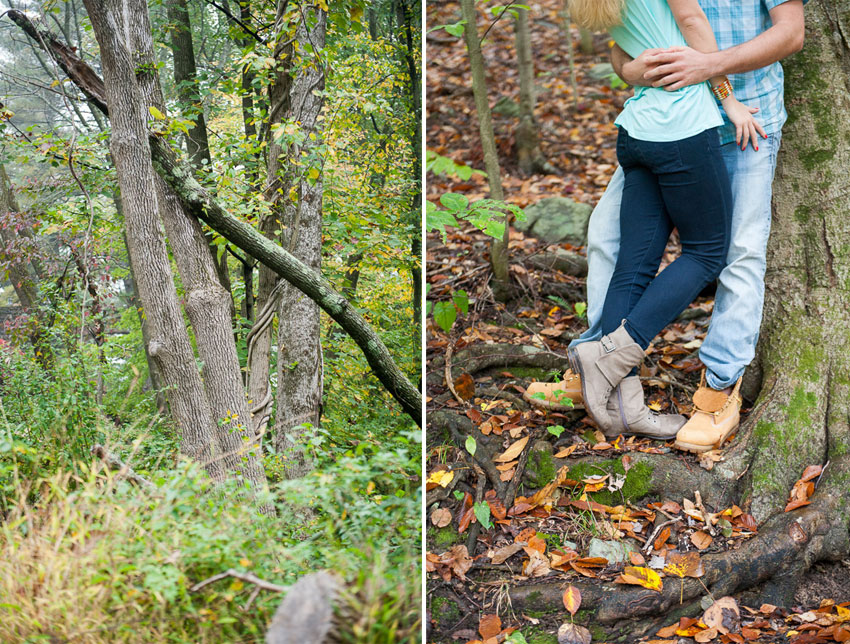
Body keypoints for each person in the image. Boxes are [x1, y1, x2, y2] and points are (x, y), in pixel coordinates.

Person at [525, 0, 805, 453]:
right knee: (610, 241)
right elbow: (621, 43)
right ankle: (607, 373)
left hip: (743, 122)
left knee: (741, 253)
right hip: (671, 121)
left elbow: (791, 34)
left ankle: (717, 390)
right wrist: (631, 70)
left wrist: (712, 70)